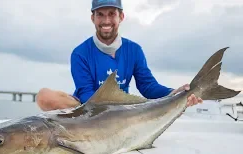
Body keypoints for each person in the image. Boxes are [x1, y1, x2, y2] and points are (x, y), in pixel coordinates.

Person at [36, 0, 202, 111]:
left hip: (123, 110)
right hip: (88, 109)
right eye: (100, 14)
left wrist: (175, 93)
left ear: (121, 17)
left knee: (162, 101)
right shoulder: (80, 53)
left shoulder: (134, 50)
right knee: (44, 96)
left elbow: (147, 86)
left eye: (111, 14)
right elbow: (86, 93)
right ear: (92, 18)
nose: (106, 20)